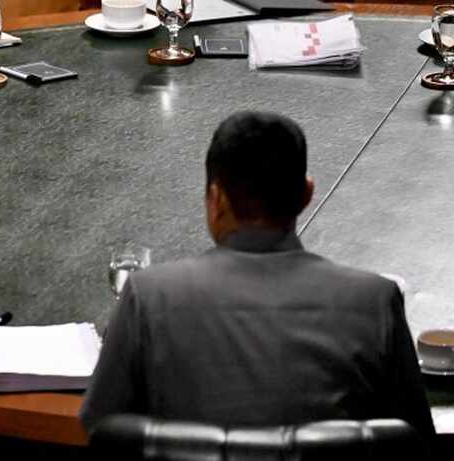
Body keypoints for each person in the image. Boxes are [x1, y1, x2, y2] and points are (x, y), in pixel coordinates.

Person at [80, 112, 433, 440]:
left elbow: (102, 428)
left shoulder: (149, 296)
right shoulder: (375, 301)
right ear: (307, 194)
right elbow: (413, 440)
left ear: (215, 199)